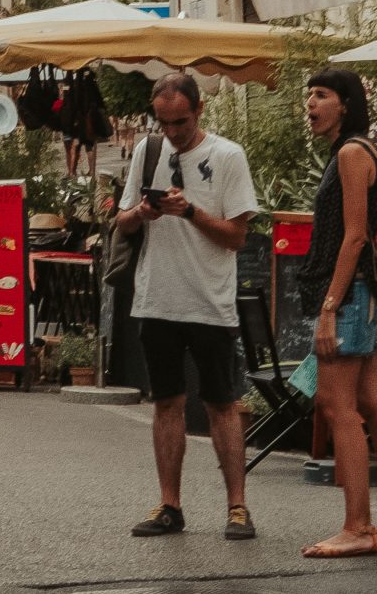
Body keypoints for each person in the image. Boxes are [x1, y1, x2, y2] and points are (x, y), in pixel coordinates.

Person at [113, 72, 260, 542]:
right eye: (164, 122)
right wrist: (143, 213)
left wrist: (191, 212)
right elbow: (122, 221)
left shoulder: (227, 156)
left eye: (180, 122)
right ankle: (169, 505)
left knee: (221, 404)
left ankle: (238, 507)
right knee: (166, 403)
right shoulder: (148, 151)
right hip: (157, 296)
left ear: (198, 111)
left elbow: (237, 236)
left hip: (209, 301)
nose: (172, 132)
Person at [297, 67, 377, 559]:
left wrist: (329, 307)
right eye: (309, 95)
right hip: (364, 292)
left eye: (321, 95)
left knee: (337, 406)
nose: (310, 104)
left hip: (349, 295)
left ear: (345, 104)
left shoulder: (351, 153)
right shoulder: (363, 149)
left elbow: (354, 235)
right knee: (374, 403)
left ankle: (357, 526)